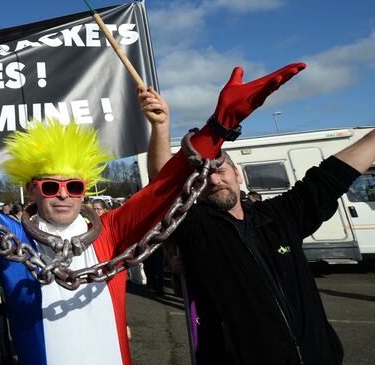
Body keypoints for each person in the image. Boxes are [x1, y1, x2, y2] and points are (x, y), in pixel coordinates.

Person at [0, 60, 304, 364]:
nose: (63, 194)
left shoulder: (112, 233)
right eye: (51, 185)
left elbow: (168, 187)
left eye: (73, 185)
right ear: (33, 189)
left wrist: (219, 127)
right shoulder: (12, 238)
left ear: (85, 189)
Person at [143, 87, 375, 364]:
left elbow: (328, 178)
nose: (214, 181)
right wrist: (160, 126)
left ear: (238, 175)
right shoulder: (196, 228)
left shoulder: (279, 215)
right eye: (201, 179)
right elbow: (163, 189)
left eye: (220, 170)